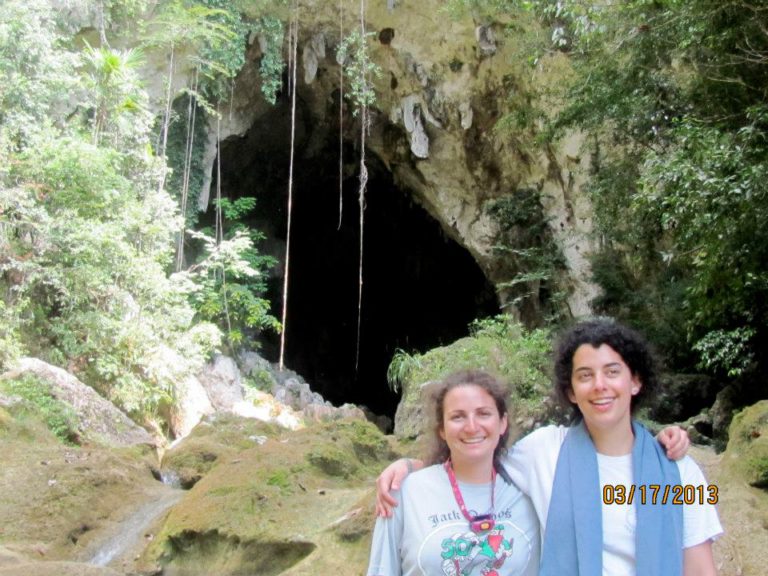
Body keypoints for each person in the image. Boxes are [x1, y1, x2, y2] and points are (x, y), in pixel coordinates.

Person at [376, 319, 721, 576]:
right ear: (570, 391)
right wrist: (410, 467)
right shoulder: (546, 452)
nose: (599, 386)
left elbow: (700, 569)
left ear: (635, 381)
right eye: (585, 375)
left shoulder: (681, 472)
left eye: (612, 372)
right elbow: (477, 455)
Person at [367, 369, 540, 576]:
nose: (472, 427)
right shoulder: (403, 492)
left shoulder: (530, 490)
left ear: (502, 422)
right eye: (458, 417)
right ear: (442, 429)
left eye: (483, 413)